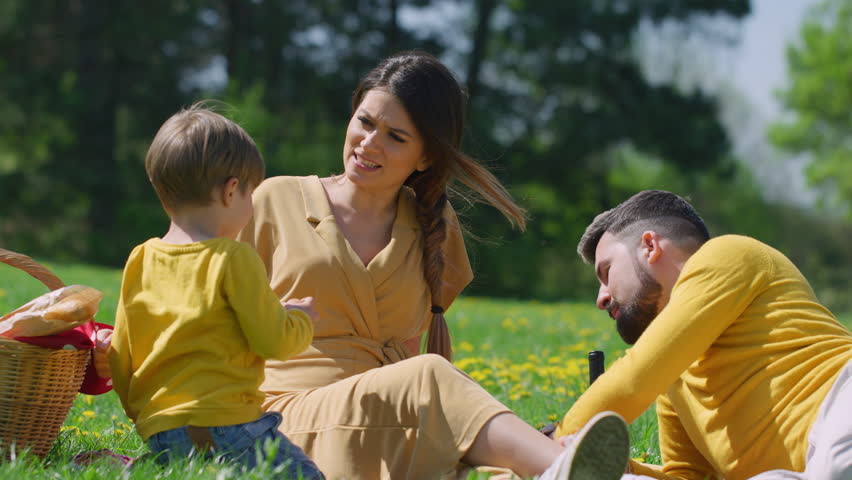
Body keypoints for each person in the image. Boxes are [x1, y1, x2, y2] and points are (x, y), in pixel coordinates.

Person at [238, 50, 630, 479]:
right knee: (429, 374)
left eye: (395, 137)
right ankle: (568, 468)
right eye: (365, 122)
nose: (369, 143)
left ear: (424, 157)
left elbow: (407, 346)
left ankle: (561, 467)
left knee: (486, 466)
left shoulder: (432, 224)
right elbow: (216, 320)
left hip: (387, 419)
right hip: (286, 418)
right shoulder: (275, 200)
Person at [556, 190, 852, 479]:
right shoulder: (676, 376)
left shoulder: (726, 253)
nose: (601, 298)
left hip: (843, 395)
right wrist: (619, 469)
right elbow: (687, 475)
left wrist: (552, 444)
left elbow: (635, 378)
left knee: (834, 469)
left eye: (606, 272)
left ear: (649, 246)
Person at [108, 104, 324, 479]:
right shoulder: (232, 256)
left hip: (161, 431)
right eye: (251, 195)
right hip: (228, 425)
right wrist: (300, 319)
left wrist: (146, 414)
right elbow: (274, 341)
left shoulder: (141, 258)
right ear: (231, 191)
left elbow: (120, 353)